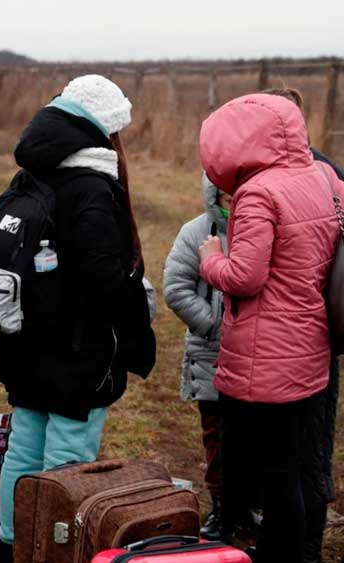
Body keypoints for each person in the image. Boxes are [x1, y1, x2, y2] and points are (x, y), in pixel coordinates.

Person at [0, 75, 156, 562]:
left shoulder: (30, 176)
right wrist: (135, 330)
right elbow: (104, 277)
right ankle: (52, 553)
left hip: (25, 342)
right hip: (77, 351)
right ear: (103, 131)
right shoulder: (91, 186)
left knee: (23, 450)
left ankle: (12, 546)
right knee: (68, 460)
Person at [197, 92, 342, 563]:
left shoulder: (259, 192)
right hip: (311, 346)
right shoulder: (323, 176)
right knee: (295, 468)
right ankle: (293, 551)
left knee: (272, 475)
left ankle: (277, 555)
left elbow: (245, 277)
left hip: (264, 359)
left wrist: (210, 258)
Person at [163, 173, 231, 539]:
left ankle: (251, 506)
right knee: (217, 435)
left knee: (255, 435)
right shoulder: (196, 232)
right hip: (211, 354)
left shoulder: (266, 226)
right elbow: (175, 287)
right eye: (225, 196)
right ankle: (222, 508)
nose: (232, 202)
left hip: (261, 355)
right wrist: (212, 326)